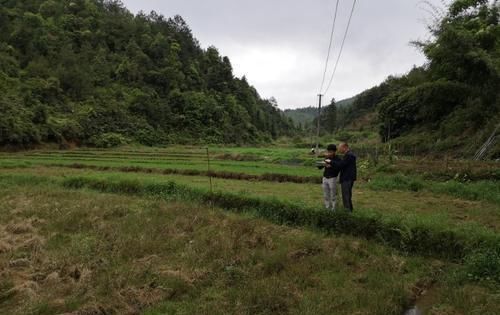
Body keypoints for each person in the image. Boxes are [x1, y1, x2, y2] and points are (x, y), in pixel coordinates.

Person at [317, 144, 341, 211]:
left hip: (333, 178)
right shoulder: (327, 158)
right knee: (326, 194)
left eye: (331, 151)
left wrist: (331, 165)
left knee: (333, 194)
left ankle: (334, 209)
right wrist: (323, 164)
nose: (329, 153)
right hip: (325, 178)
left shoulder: (338, 159)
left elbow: (339, 167)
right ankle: (327, 207)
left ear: (334, 152)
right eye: (328, 151)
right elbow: (319, 167)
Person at [334, 142, 357, 212]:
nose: (339, 150)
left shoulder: (349, 155)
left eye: (340, 148)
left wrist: (331, 162)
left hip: (347, 178)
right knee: (347, 195)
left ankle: (347, 211)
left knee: (346, 195)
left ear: (345, 147)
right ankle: (349, 210)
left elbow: (341, 165)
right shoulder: (349, 155)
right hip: (348, 178)